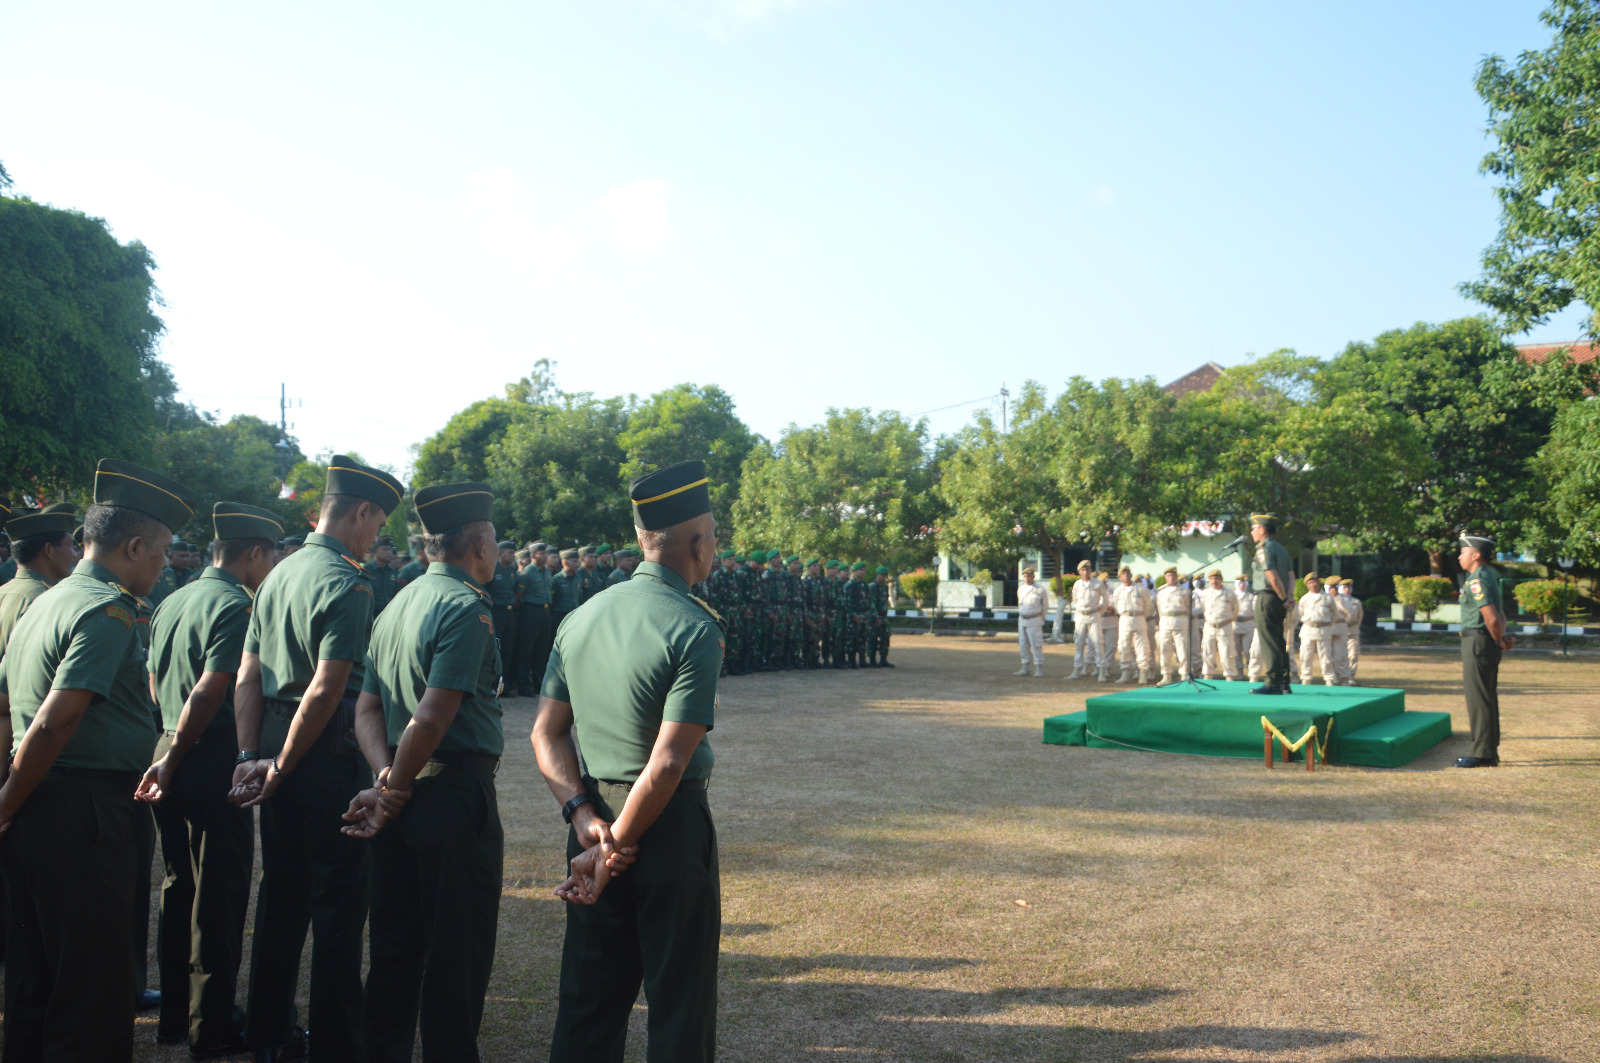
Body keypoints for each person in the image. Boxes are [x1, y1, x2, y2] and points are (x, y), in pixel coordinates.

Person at [0, 459, 195, 1062]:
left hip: (36, 803)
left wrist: (8, 798)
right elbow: (58, 720)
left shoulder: (44, 602)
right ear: (134, 546)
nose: (165, 566)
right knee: (94, 991)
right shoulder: (106, 610)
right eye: (161, 553)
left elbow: (7, 708)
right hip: (83, 812)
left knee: (35, 981)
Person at [532, 459, 722, 1063]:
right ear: (697, 543)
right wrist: (616, 844)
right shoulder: (695, 627)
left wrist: (584, 818)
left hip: (590, 822)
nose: (716, 547)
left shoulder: (580, 617)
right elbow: (667, 764)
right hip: (663, 829)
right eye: (714, 535)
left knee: (589, 999)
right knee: (678, 1004)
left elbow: (545, 734)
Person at [231, 454, 404, 1062]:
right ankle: (336, 1044)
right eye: (378, 524)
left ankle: (268, 1032)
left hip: (277, 739)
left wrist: (252, 754)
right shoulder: (348, 581)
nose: (376, 536)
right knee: (338, 903)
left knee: (281, 894)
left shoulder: (277, 573)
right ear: (360, 511)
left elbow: (248, 674)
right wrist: (280, 764)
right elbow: (328, 688)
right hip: (326, 749)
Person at [344, 481, 506, 1062]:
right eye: (493, 541)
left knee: (394, 944)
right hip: (449, 793)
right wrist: (399, 786)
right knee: (456, 949)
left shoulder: (396, 605)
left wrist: (386, 779)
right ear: (479, 543)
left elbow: (365, 706)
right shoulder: (465, 606)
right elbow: (433, 717)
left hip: (399, 788)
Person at [142, 502, 281, 1057]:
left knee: (178, 887)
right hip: (207, 757)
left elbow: (156, 683)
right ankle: (212, 1025)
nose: (271, 570)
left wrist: (169, 747)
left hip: (168, 746)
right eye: (270, 558)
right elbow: (212, 688)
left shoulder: (173, 599)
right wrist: (181, 755)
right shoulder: (236, 605)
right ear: (254, 554)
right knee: (218, 899)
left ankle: (176, 1014)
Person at [1457, 534, 1512, 768]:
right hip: (1485, 641)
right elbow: (1501, 615)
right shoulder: (1490, 576)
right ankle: (1488, 751)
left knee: (1478, 699)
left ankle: (1481, 753)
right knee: (1487, 698)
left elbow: (1491, 616)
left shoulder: (1477, 579)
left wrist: (1499, 640)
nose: (1460, 556)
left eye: (1463, 552)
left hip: (1477, 642)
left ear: (1475, 555)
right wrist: (1500, 638)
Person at [1248, 514, 1293, 695]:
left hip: (1267, 598)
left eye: (1254, 528)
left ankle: (1273, 682)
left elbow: (1272, 575)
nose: (1252, 533)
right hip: (1279, 599)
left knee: (1269, 641)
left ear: (1262, 529)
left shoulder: (1263, 549)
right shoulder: (1282, 549)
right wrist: (1288, 597)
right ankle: (1284, 681)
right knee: (1279, 640)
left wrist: (1283, 597)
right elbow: (1291, 576)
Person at [515, 543, 554, 698]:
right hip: (531, 611)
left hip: (545, 611)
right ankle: (524, 686)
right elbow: (518, 597)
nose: (545, 555)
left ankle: (539, 685)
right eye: (541, 553)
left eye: (545, 553)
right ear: (532, 556)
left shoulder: (546, 572)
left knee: (541, 650)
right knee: (527, 649)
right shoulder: (526, 573)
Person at [1295, 574, 1342, 686]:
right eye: (1311, 582)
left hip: (1323, 629)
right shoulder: (1304, 599)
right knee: (1305, 655)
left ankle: (1329, 677)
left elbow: (1335, 615)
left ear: (1319, 582)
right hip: (1308, 629)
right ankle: (1306, 677)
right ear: (1307, 585)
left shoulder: (1328, 597)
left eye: (1315, 581)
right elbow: (1298, 614)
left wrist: (1327, 624)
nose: (1314, 584)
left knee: (1326, 656)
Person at [1113, 567, 1154, 685]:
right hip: (1125, 619)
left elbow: (1148, 605)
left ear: (1131, 575)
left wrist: (1140, 615)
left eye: (1127, 573)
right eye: (1123, 574)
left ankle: (1143, 673)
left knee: (1142, 647)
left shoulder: (1141, 589)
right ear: (1120, 577)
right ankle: (1125, 673)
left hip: (1139, 618)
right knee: (1124, 646)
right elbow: (1116, 606)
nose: (1126, 575)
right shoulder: (1118, 591)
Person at [1067, 561, 1106, 681]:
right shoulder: (1077, 584)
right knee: (1079, 644)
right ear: (1079, 572)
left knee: (1097, 644)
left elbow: (1105, 600)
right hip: (1080, 616)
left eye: (1087, 569)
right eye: (1082, 570)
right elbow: (1075, 600)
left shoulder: (1098, 584)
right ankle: (1077, 670)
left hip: (1094, 615)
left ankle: (1101, 671)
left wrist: (1099, 612)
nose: (1085, 572)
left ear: (1090, 570)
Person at [1199, 570, 1240, 681]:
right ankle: (1208, 675)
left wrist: (1228, 620)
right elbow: (1203, 609)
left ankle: (1229, 675)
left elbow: (1235, 610)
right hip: (1209, 627)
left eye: (1216, 578)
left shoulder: (1230, 593)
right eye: (1212, 579)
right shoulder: (1206, 593)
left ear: (1221, 579)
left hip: (1225, 627)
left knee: (1227, 653)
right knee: (1207, 652)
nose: (1214, 581)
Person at [488, 540, 518, 693]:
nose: (513, 556)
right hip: (496, 612)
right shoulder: (492, 570)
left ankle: (504, 685)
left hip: (509, 613)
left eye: (514, 553)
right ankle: (492, 683)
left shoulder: (512, 571)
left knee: (508, 649)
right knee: (495, 649)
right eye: (510, 553)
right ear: (500, 553)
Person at [1154, 568, 1191, 685]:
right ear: (1165, 577)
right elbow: (1159, 607)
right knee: (1164, 648)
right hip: (1165, 621)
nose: (1171, 578)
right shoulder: (1161, 590)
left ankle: (1184, 674)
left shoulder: (1185, 591)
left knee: (1182, 649)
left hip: (1180, 620)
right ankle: (1166, 675)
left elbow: (1188, 608)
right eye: (1169, 576)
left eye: (1173, 576)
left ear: (1177, 577)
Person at [1015, 565, 1048, 677]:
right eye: (1025, 576)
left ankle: (1038, 667)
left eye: (1029, 576)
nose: (1027, 578)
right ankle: (1025, 667)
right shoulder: (1021, 588)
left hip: (1034, 619)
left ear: (1033, 576)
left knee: (1036, 644)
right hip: (1022, 619)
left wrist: (1040, 618)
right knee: (1023, 644)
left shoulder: (1040, 589)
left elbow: (1045, 607)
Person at [550, 548, 585, 632]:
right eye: (574, 562)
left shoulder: (578, 579)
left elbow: (579, 597)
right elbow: (551, 600)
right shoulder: (556, 579)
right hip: (560, 616)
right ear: (565, 562)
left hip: (574, 615)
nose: (577, 564)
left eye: (577, 562)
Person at [1336, 578, 1364, 682]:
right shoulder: (1335, 600)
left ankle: (1351, 675)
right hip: (1339, 632)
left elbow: (1359, 617)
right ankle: (1339, 675)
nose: (1347, 589)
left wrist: (1353, 626)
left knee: (1353, 655)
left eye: (1348, 587)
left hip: (1352, 632)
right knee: (1340, 655)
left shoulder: (1356, 602)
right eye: (1344, 587)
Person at [366, 536, 400, 614]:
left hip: (389, 615)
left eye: (390, 549)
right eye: (385, 549)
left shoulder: (393, 572)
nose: (389, 552)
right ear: (374, 551)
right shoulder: (367, 571)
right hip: (372, 616)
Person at [1232, 576, 1255, 679]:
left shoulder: (1251, 597)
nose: (1242, 585)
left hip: (1248, 626)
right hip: (1234, 625)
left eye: (1244, 583)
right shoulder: (1232, 595)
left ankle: (1251, 670)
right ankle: (1239, 671)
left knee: (1247, 650)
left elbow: (1254, 612)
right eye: (1240, 583)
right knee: (1236, 651)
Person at [1097, 573, 1119, 679]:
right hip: (1099, 623)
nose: (1104, 585)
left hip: (1111, 622)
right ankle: (1099, 667)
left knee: (1111, 647)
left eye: (1105, 583)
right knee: (1100, 647)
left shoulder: (1114, 593)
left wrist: (1107, 607)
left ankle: (1107, 668)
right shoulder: (1096, 594)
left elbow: (1116, 607)